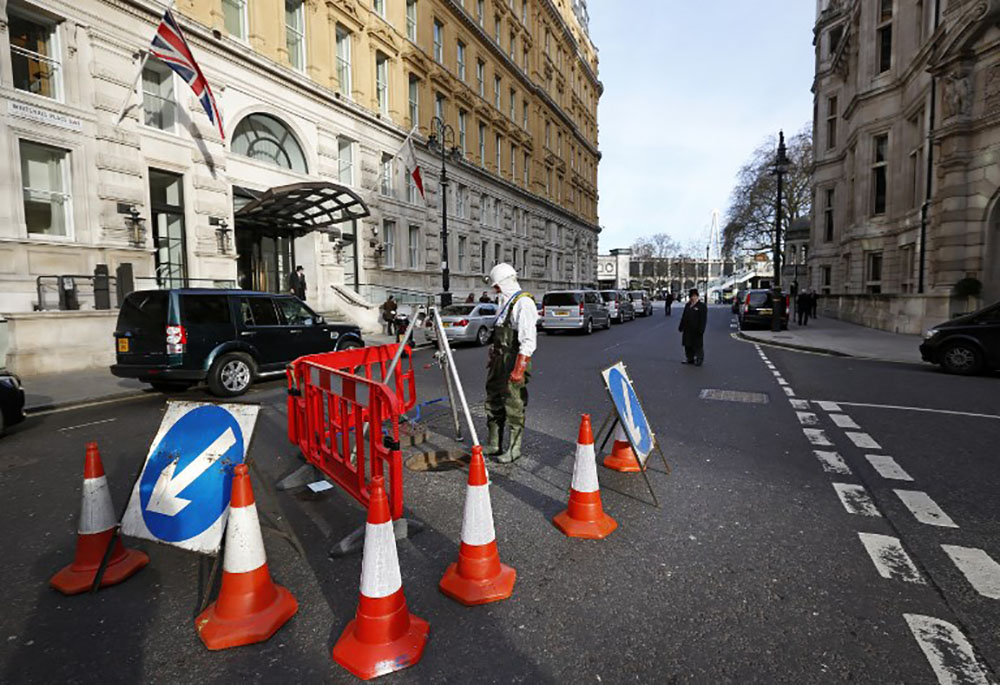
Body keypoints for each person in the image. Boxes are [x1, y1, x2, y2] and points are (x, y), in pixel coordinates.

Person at [484, 263, 538, 464]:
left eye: (496, 286)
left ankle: (514, 448)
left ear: (505, 283)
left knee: (513, 403)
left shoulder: (524, 303)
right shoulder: (504, 301)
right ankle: (494, 443)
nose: (495, 290)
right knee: (493, 399)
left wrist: (518, 370)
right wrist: (492, 355)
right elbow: (498, 332)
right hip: (499, 359)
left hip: (513, 360)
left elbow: (528, 341)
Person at [678, 288, 707, 366]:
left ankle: (699, 359)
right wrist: (681, 326)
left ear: (697, 296)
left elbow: (703, 319)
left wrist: (701, 329)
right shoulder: (688, 305)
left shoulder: (702, 306)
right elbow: (684, 317)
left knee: (697, 345)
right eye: (691, 296)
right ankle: (690, 358)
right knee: (687, 345)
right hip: (687, 329)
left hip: (696, 329)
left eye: (694, 296)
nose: (693, 298)